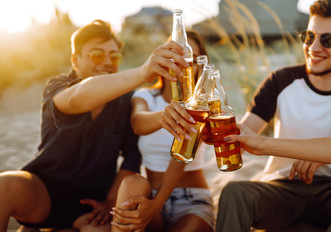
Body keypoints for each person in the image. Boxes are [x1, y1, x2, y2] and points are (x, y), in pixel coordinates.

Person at [161, 0, 331, 232]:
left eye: (327, 40)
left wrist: (324, 153)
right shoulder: (281, 81)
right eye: (309, 37)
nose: (313, 48)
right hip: (282, 188)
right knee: (234, 193)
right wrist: (212, 130)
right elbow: (246, 133)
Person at [0, 19, 190, 232]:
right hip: (44, 192)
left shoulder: (126, 101)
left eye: (114, 56)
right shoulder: (58, 86)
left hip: (91, 203)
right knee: (4, 185)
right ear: (75, 60)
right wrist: (142, 73)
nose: (107, 62)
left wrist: (109, 201)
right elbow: (77, 98)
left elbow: (131, 157)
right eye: (97, 54)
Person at [110, 30, 214, 232]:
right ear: (165, 58)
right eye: (178, 57)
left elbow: (181, 156)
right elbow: (138, 123)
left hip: (191, 201)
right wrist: (165, 116)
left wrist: (156, 205)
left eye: (191, 60)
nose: (184, 65)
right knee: (132, 183)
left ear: (198, 67)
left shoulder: (201, 105)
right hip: (150, 194)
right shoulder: (146, 96)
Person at [224, 124, 331, 169]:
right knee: (234, 191)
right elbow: (242, 131)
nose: (315, 50)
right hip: (282, 182)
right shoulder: (281, 79)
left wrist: (325, 155)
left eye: (328, 49)